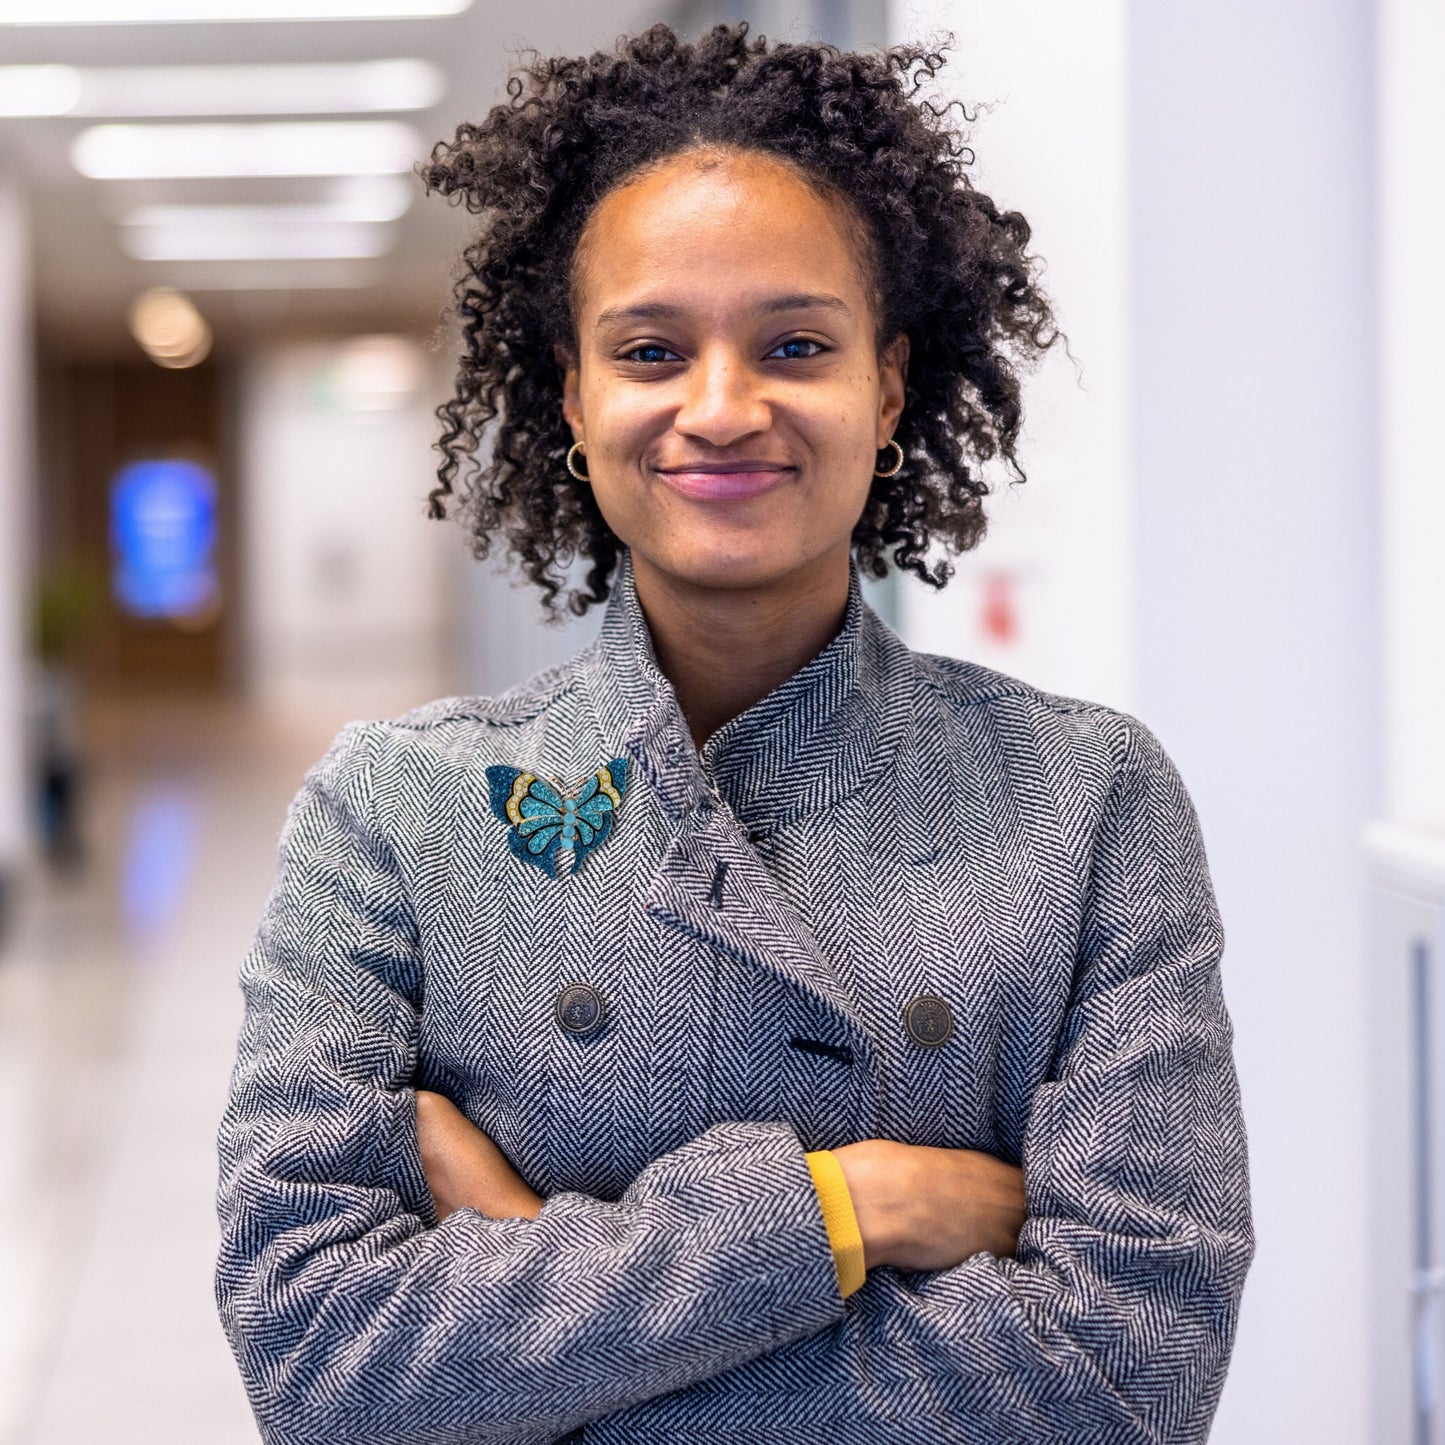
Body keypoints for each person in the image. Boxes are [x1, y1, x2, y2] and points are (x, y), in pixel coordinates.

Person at [215, 23, 1253, 1444]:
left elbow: (1127, 1373)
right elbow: (318, 1358)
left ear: (884, 389)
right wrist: (846, 1207)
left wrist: (526, 1258)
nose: (720, 406)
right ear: (575, 403)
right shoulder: (397, 809)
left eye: (793, 344)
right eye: (650, 349)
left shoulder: (1086, 799)